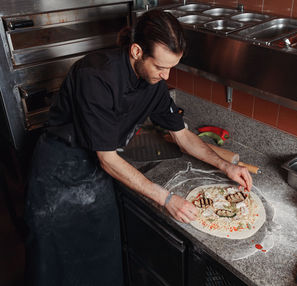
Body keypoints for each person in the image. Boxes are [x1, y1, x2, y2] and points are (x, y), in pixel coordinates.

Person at [24, 10, 252, 286]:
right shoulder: (95, 76)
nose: (166, 75)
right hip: (59, 174)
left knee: (105, 258)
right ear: (136, 51)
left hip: (97, 175)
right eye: (160, 66)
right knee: (58, 268)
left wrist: (226, 165)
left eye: (171, 67)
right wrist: (167, 199)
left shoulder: (153, 83)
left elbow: (182, 135)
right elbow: (108, 159)